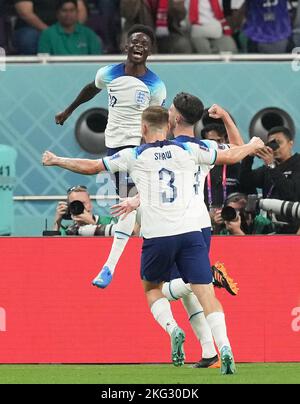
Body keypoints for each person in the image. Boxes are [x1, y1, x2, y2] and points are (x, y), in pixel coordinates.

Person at [42, 106, 264, 373]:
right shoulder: (190, 150)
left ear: (143, 128)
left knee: (151, 289)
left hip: (159, 235)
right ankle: (223, 347)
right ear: (168, 125)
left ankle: (172, 329)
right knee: (203, 292)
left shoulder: (134, 155)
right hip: (193, 230)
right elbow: (232, 155)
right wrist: (252, 145)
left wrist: (57, 160)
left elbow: (91, 167)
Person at [55, 23, 166, 196]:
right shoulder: (107, 73)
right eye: (135, 41)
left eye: (144, 44)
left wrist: (148, 149)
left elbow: (155, 121)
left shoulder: (156, 86)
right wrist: (68, 111)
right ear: (125, 47)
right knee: (124, 196)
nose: (139, 45)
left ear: (150, 52)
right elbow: (91, 88)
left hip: (138, 145)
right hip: (114, 144)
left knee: (141, 196)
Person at [240, 126, 300, 234]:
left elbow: (291, 194)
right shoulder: (267, 168)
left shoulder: (297, 164)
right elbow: (245, 182)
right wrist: (249, 157)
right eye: (272, 144)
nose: (275, 148)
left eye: (279, 142)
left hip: (292, 229)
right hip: (268, 227)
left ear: (290, 143)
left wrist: (272, 166)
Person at [13, 0, 87, 55]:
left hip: (64, 28)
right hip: (33, 28)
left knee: (87, 36)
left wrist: (75, 29)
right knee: (28, 38)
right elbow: (25, 13)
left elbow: (81, 9)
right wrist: (50, 32)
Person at [120, 0, 192, 53]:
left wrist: (177, 5)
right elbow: (127, 14)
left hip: (166, 34)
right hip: (138, 32)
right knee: (129, 44)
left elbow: (179, 17)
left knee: (182, 44)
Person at [38, 0, 102, 55]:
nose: (68, 14)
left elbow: (96, 60)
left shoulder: (88, 34)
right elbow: (44, 62)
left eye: (72, 10)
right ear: (57, 13)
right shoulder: (47, 34)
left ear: (77, 12)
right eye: (64, 10)